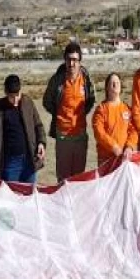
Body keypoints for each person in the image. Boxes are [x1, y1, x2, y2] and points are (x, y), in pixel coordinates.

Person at [43, 42, 96, 181]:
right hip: (63, 136)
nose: (71, 63)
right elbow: (46, 102)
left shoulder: (86, 79)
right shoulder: (57, 80)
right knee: (63, 180)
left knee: (79, 179)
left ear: (80, 61)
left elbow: (91, 100)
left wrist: (81, 115)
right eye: (69, 59)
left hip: (80, 135)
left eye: (75, 60)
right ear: (65, 60)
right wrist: (59, 114)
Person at [0, 75, 46, 183]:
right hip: (10, 162)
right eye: (11, 96)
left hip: (29, 159)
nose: (14, 100)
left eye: (17, 95)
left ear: (20, 90)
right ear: (5, 92)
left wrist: (41, 143)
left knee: (29, 195)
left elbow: (38, 126)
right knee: (10, 196)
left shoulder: (28, 103)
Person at [91, 72, 138, 166]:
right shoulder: (101, 109)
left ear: (120, 87)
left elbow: (133, 130)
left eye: (117, 82)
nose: (115, 84)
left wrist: (129, 147)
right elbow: (99, 133)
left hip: (124, 158)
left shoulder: (127, 109)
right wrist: (113, 146)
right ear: (107, 88)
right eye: (112, 82)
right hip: (106, 159)